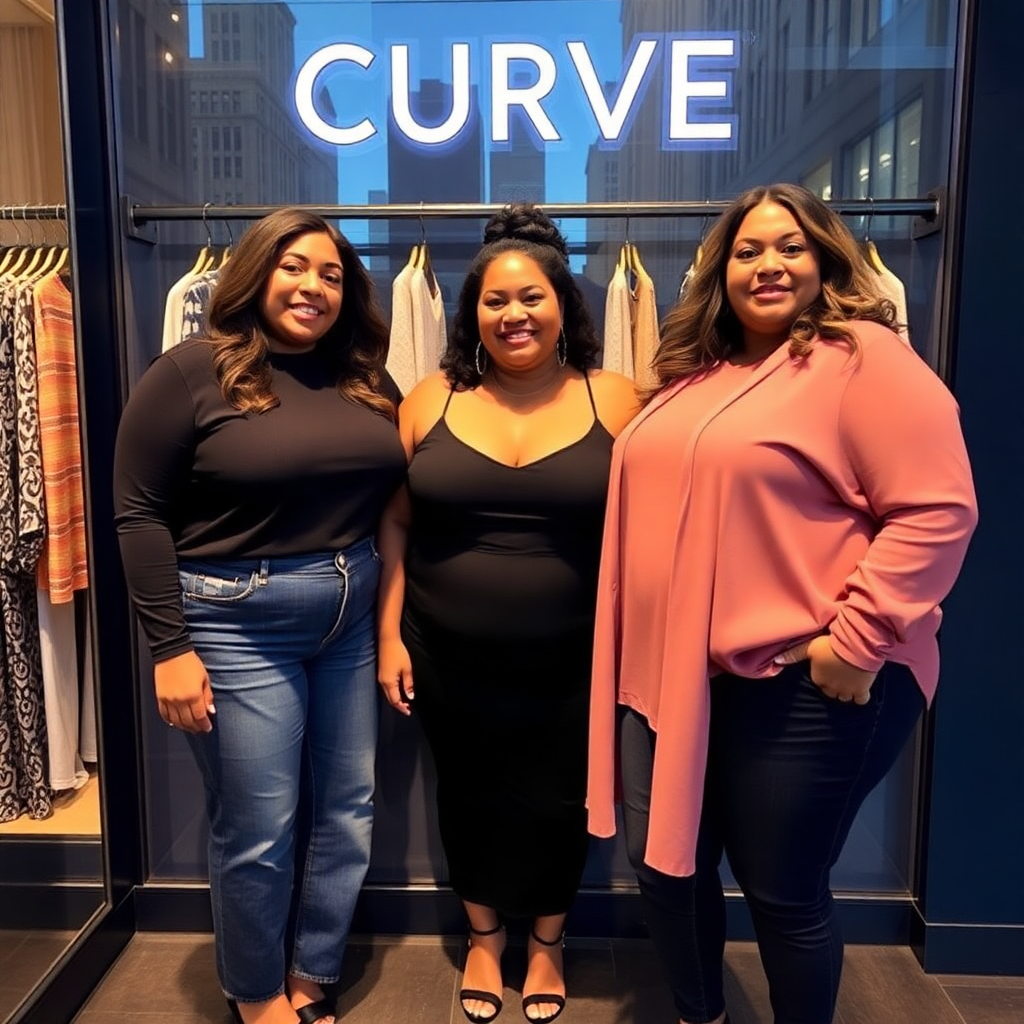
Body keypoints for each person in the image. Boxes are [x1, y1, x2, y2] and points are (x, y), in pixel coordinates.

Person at [587, 184, 978, 1024]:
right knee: (666, 868)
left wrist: (858, 641)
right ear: (720, 270)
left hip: (801, 680)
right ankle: (703, 1015)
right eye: (748, 250)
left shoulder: (861, 356)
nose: (768, 265)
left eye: (790, 247)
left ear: (826, 258)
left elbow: (938, 510)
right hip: (671, 684)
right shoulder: (696, 371)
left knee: (782, 890)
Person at [113, 208, 406, 1024]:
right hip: (235, 622)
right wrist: (169, 647)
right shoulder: (188, 372)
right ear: (254, 273)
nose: (314, 286)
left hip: (349, 608)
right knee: (259, 824)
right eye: (294, 267)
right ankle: (254, 992)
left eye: (332, 274)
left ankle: (314, 967)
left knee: (349, 808)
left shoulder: (365, 379)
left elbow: (396, 497)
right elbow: (138, 515)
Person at [376, 204, 637, 1024]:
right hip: (445, 652)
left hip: (576, 657)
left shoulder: (618, 399)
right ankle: (485, 937)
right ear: (471, 313)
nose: (513, 315)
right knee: (467, 794)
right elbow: (394, 522)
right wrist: (388, 634)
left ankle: (549, 944)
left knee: (563, 798)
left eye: (531, 299)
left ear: (564, 306)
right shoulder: (427, 400)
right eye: (494, 301)